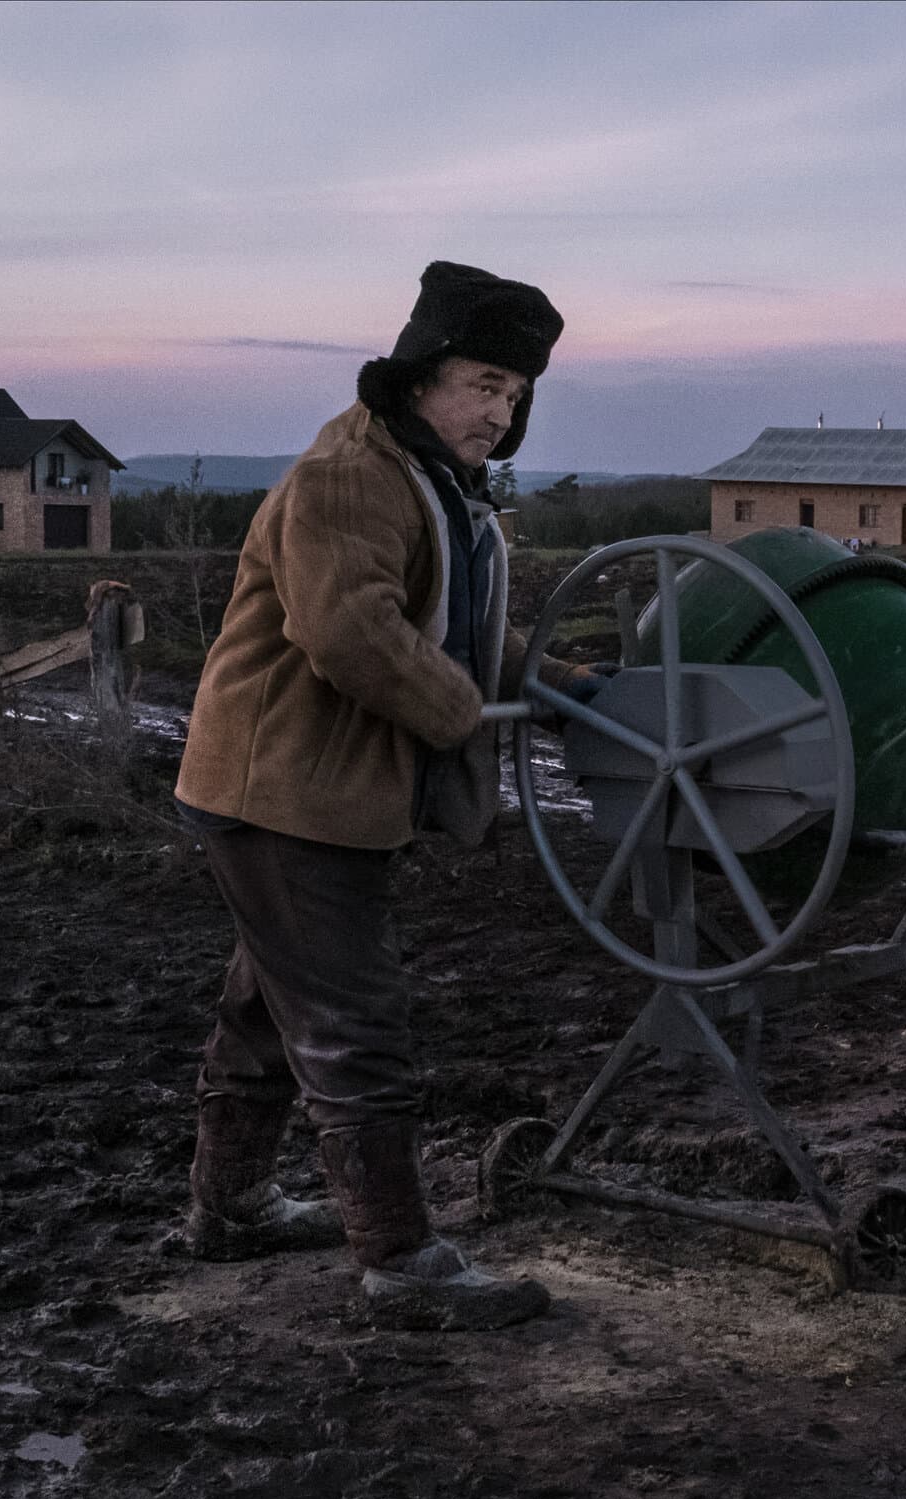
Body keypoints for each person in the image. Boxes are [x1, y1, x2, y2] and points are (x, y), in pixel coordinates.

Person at [175, 260, 606, 1327]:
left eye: (513, 397)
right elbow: (352, 634)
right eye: (480, 385)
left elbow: (461, 634)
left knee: (268, 1016)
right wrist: (462, 712)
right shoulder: (349, 477)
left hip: (310, 790)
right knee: (351, 1021)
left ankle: (227, 1212)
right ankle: (399, 1260)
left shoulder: (442, 488)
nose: (497, 415)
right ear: (418, 378)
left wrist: (571, 691)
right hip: (286, 790)